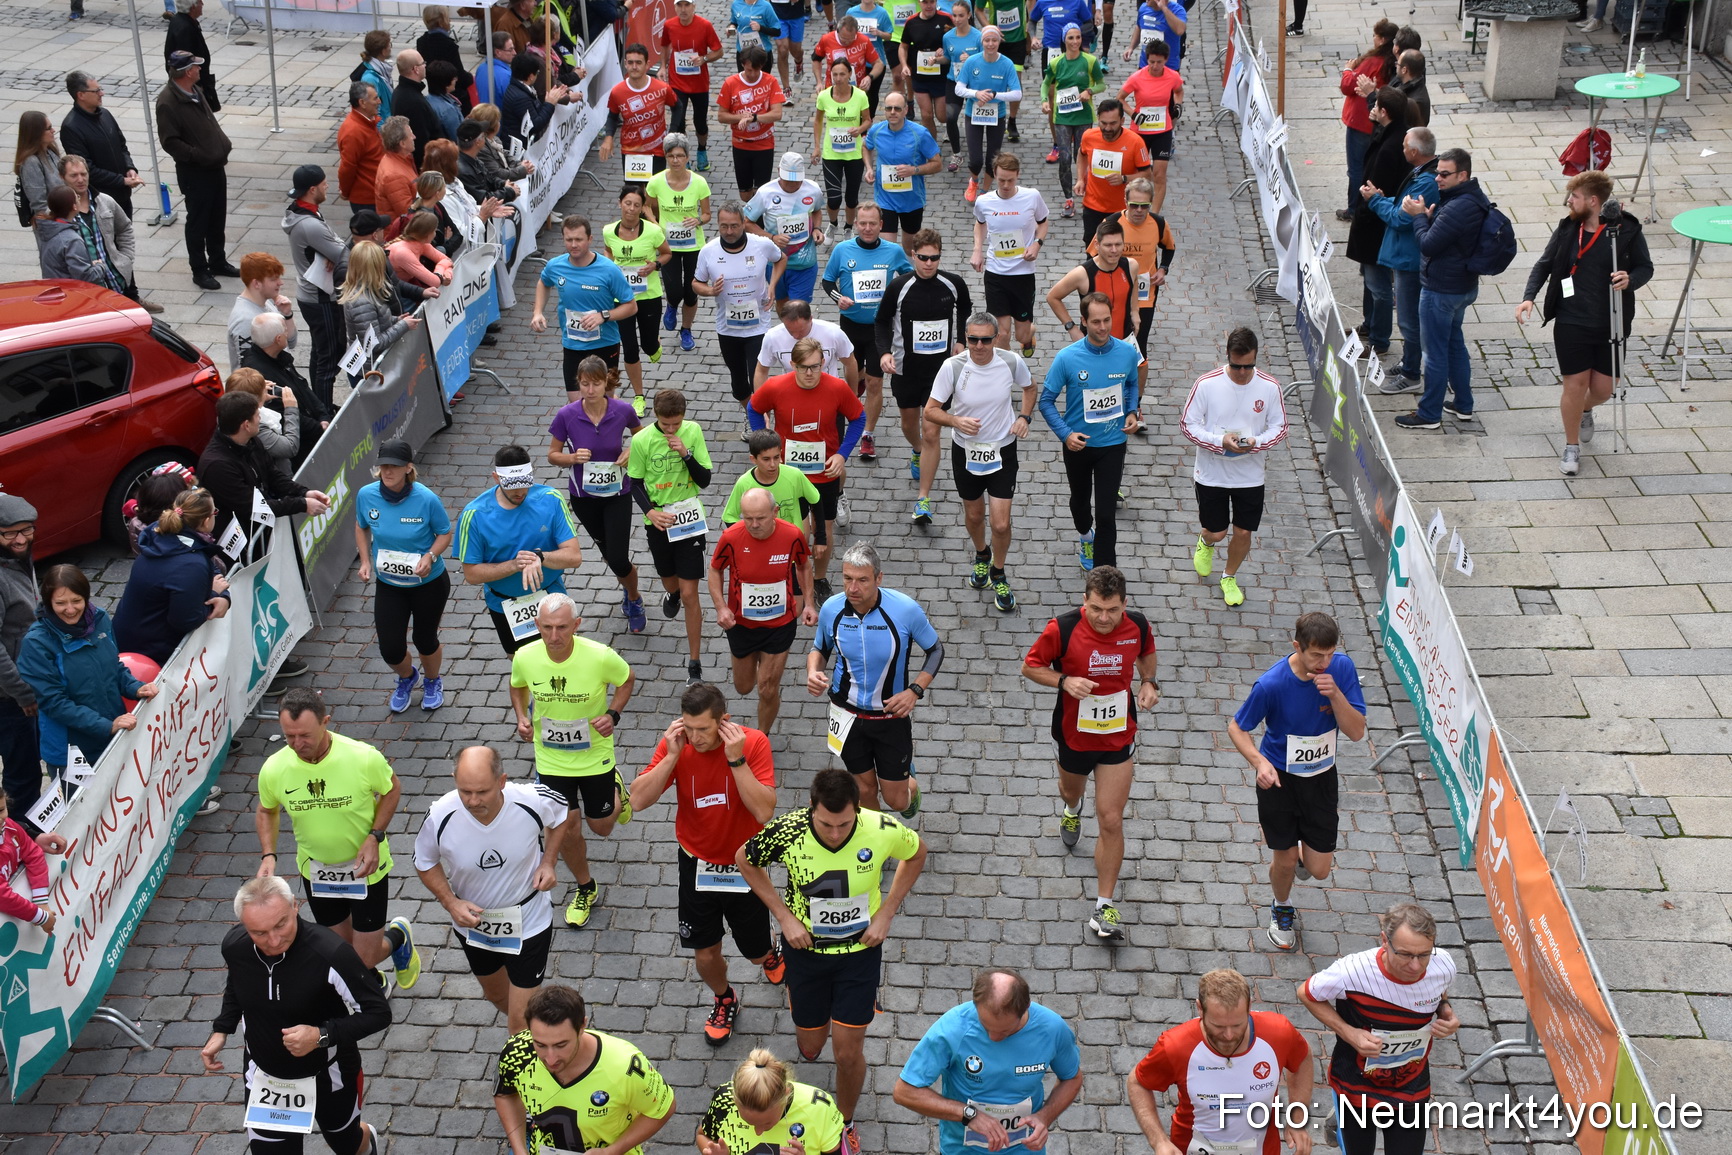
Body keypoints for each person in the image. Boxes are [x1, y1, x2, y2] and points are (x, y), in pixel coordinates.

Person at [738, 768, 927, 1153]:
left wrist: (887, 912)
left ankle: (845, 1121)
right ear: (812, 808)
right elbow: (745, 859)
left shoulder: (880, 827)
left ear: (858, 809)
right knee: (810, 1047)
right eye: (826, 824)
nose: (836, 833)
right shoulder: (789, 830)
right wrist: (784, 917)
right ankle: (804, 1002)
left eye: (844, 824)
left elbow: (917, 852)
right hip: (805, 952)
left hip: (859, 953)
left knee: (847, 1052)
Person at [629, 682, 783, 1043]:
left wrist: (735, 759)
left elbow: (764, 811)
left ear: (724, 721)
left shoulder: (753, 743)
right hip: (696, 864)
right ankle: (724, 998)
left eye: (703, 729)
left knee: (755, 952)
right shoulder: (678, 745)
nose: (695, 738)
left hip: (744, 865)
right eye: (689, 727)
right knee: (705, 953)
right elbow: (637, 800)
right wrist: (670, 757)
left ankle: (770, 952)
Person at [201, 877, 391, 1155]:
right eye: (259, 933)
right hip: (266, 1078)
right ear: (244, 926)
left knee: (347, 1144)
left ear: (295, 906)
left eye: (281, 925)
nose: (274, 940)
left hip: (329, 1075)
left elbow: (378, 1013)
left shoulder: (331, 953)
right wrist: (222, 1028)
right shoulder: (235, 947)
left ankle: (366, 1140)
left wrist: (320, 1036)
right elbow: (238, 983)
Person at [1020, 564, 1156, 939]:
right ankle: (1071, 809)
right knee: (1071, 791)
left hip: (1117, 737)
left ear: (1124, 604)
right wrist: (1064, 681)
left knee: (1111, 819)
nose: (1104, 618)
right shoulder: (1062, 628)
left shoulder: (1137, 625)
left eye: (1112, 610)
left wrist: (1149, 681)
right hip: (1073, 737)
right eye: (1096, 608)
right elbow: (1030, 666)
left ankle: (1104, 906)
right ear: (1085, 600)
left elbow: (1146, 652)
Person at [255, 687, 420, 985]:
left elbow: (392, 789)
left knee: (364, 957)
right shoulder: (274, 768)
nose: (297, 744)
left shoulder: (362, 758)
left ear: (325, 722)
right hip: (317, 871)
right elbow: (267, 811)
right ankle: (374, 982)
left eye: (305, 735)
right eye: (289, 736)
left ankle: (398, 938)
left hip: (366, 869)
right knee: (342, 954)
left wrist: (374, 836)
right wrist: (269, 854)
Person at [1228, 611, 1367, 951]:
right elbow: (1237, 727)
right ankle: (1281, 907)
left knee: (1319, 870)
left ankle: (1301, 856)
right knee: (1285, 859)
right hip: (1280, 781)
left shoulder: (1342, 669)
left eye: (1330, 654)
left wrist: (1335, 695)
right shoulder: (1271, 685)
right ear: (1297, 647)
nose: (1324, 663)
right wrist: (1260, 763)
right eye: (1317, 655)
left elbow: (1356, 732)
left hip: (1321, 779)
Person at [414, 746, 567, 1032]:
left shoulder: (531, 800)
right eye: (465, 791)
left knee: (518, 1023)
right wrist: (451, 903)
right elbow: (424, 861)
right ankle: (541, 1031)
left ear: (502, 781)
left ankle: (534, 1051)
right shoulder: (440, 814)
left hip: (529, 921)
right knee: (497, 996)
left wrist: (549, 862)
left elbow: (561, 814)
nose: (473, 801)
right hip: (474, 926)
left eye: (482, 792)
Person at [508, 593, 635, 929]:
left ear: (576, 625)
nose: (554, 636)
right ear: (537, 625)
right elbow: (517, 686)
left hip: (594, 756)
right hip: (551, 759)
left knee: (602, 827)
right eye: (547, 627)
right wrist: (521, 716)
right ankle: (585, 887)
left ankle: (616, 789)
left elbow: (627, 679)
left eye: (562, 627)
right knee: (565, 829)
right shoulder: (525, 656)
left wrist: (613, 714)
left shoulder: (599, 656)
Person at [1516, 169, 1654, 477]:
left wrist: (1630, 279)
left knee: (1604, 389)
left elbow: (1646, 267)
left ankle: (1586, 409)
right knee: (1574, 385)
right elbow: (1544, 264)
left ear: (1593, 201)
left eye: (1575, 197)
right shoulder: (1568, 228)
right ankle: (1571, 445)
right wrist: (1529, 297)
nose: (1569, 201)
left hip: (1611, 321)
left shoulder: (1626, 230)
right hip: (1572, 320)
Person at [1297, 903, 1461, 1155]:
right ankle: (1339, 1119)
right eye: (1405, 954)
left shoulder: (1443, 965)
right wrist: (1349, 1033)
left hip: (1411, 1082)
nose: (1416, 966)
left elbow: (1440, 989)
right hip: (1356, 1084)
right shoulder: (1352, 971)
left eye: (1424, 955)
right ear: (1385, 941)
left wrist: (1445, 1009)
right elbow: (1307, 993)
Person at [807, 541, 943, 815]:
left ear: (879, 578)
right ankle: (878, 836)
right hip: (846, 715)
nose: (852, 588)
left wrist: (914, 691)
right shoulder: (832, 609)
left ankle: (910, 784)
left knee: (897, 801)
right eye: (847, 578)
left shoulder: (904, 610)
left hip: (889, 717)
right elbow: (819, 648)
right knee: (864, 791)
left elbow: (935, 650)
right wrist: (813, 671)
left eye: (862, 580)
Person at [894, 968, 1083, 1153]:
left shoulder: (1052, 1029)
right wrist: (969, 1114)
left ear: (1026, 1007)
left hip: (1024, 1149)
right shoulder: (953, 1028)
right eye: (985, 1027)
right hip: (962, 1150)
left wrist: (1044, 1117)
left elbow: (1072, 1078)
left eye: (1005, 1031)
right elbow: (905, 1092)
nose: (993, 1038)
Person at [17, 564, 159, 811]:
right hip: (71, 751)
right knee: (84, 814)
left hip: (112, 736)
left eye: (76, 601)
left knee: (121, 804)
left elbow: (114, 666)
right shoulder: (37, 643)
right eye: (60, 603)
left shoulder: (100, 619)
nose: (70, 609)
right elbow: (54, 703)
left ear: (86, 597)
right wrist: (106, 726)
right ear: (47, 602)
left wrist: (135, 688)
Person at [1128, 968, 1315, 1155]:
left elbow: (1303, 1059)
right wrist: (1159, 1141)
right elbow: (1137, 1083)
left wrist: (1297, 1118)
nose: (1229, 1035)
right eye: (1218, 1026)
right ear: (1200, 1008)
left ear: (1249, 1007)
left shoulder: (1278, 1033)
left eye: (1238, 1025)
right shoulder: (1176, 1046)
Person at [918, 312, 1034, 608]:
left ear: (996, 339)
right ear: (966, 338)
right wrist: (955, 421)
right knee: (973, 516)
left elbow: (1030, 388)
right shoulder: (953, 367)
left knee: (1001, 523)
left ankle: (999, 571)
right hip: (966, 451)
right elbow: (930, 410)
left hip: (1002, 450)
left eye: (985, 340)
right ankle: (982, 553)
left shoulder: (1010, 361)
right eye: (973, 339)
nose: (979, 346)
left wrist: (1024, 417)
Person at [494, 985, 675, 1155]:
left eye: (561, 1045)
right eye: (540, 1044)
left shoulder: (624, 1065)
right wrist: (520, 1150)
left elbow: (663, 1109)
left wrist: (611, 1151)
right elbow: (505, 1094)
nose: (550, 1059)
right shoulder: (517, 1053)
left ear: (582, 1026)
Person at [1180, 327, 1288, 607]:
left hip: (1249, 475)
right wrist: (1219, 441)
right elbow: (1188, 425)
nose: (1242, 372)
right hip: (1212, 473)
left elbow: (1280, 427)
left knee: (1243, 532)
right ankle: (1206, 541)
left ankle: (1229, 576)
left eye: (1248, 366)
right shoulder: (1207, 384)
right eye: (1237, 366)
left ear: (1256, 357)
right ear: (1227, 356)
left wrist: (1256, 442)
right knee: (1217, 532)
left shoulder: (1270, 387)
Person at [747, 336, 861, 599]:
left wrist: (842, 455)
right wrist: (763, 443)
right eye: (803, 367)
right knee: (791, 527)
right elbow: (754, 408)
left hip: (824, 472)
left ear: (824, 362)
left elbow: (858, 417)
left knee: (824, 528)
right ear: (792, 365)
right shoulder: (775, 386)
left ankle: (819, 578)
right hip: (787, 473)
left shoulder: (837, 388)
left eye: (815, 366)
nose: (809, 373)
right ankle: (792, 573)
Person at [1038, 292, 1142, 570]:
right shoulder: (1067, 358)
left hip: (1113, 443)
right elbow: (1045, 401)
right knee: (1080, 504)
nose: (1103, 327)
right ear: (1083, 321)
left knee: (1107, 514)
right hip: (1079, 445)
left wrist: (1132, 411)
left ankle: (1105, 575)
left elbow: (1132, 384)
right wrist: (1066, 434)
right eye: (1096, 322)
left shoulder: (1126, 352)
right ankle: (1085, 535)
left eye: (1107, 320)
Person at [548, 358, 648, 634]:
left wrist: (631, 450)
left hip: (617, 494)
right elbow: (552, 455)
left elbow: (643, 438)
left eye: (596, 383)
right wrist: (571, 458)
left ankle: (634, 599)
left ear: (607, 382)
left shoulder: (623, 410)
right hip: (584, 499)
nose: (590, 390)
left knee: (618, 558)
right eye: (584, 384)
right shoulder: (567, 415)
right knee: (608, 554)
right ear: (578, 384)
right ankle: (628, 588)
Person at [1394, 147, 1490, 431]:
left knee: (1434, 353)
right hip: (1460, 287)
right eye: (1437, 173)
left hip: (1442, 291)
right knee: (1454, 345)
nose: (1437, 179)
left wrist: (1419, 217)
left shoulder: (1459, 207)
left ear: (1463, 175)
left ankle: (1429, 413)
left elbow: (1427, 244)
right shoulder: (1471, 197)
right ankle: (1463, 404)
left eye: (1445, 174)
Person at [353, 441, 452, 713]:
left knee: (425, 640)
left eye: (394, 466)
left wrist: (429, 556)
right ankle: (408, 677)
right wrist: (365, 560)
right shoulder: (366, 495)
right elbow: (361, 526)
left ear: (408, 468)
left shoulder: (426, 499)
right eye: (383, 465)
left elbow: (444, 533)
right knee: (390, 649)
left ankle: (432, 681)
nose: (387, 471)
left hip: (428, 583)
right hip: (390, 584)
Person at [710, 486, 818, 735]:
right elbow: (715, 569)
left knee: (767, 688)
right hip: (741, 625)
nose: (754, 524)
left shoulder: (792, 535)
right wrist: (721, 608)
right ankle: (758, 665)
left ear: (775, 512)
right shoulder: (731, 537)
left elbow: (803, 566)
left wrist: (809, 603)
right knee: (743, 686)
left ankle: (761, 738)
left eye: (760, 518)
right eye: (748, 518)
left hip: (780, 624)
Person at [457, 446, 586, 655]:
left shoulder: (551, 499)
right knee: (520, 662)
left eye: (525, 484)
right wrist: (515, 565)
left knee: (563, 656)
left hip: (550, 596)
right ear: (496, 478)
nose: (520, 492)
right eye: (512, 487)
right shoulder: (474, 515)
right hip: (505, 603)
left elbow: (574, 557)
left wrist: (540, 557)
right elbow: (471, 574)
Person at [628, 391, 716, 683]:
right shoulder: (642, 440)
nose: (671, 429)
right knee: (669, 579)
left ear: (683, 416)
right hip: (659, 522)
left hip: (689, 518)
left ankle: (694, 664)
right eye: (665, 424)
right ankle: (672, 593)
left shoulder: (693, 431)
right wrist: (651, 512)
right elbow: (634, 483)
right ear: (655, 416)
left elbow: (704, 480)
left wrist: (685, 454)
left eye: (676, 424)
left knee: (691, 594)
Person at [876, 228, 971, 490]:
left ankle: (923, 497)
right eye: (923, 258)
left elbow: (965, 307)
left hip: (940, 371)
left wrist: (961, 340)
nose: (929, 263)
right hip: (906, 369)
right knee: (909, 425)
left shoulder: (953, 283)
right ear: (913, 255)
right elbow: (881, 321)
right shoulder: (899, 286)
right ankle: (917, 449)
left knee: (931, 432)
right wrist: (884, 352)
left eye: (934, 258)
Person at [197, 392, 330, 567]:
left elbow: (272, 474)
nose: (260, 419)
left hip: (260, 532)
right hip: (240, 549)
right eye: (257, 415)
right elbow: (253, 508)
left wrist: (303, 492)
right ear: (246, 425)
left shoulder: (251, 441)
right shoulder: (217, 466)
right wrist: (302, 504)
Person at [822, 203, 911, 460]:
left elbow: (908, 278)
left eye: (873, 223)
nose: (868, 228)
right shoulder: (842, 250)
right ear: (856, 224)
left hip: (879, 328)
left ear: (881, 225)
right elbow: (827, 281)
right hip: (850, 325)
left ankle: (867, 434)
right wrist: (838, 298)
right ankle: (855, 393)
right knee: (852, 379)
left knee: (875, 382)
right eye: (863, 223)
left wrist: (896, 300)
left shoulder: (893, 251)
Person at [694, 203, 787, 426]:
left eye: (734, 226)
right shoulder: (708, 251)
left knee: (757, 377)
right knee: (738, 384)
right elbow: (696, 283)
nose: (729, 231)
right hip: (727, 328)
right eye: (724, 226)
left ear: (743, 223)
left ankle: (761, 423)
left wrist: (772, 285)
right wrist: (710, 291)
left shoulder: (761, 245)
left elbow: (781, 258)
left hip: (758, 325)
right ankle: (751, 412)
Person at [114, 486, 230, 664]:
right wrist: (215, 594)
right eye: (215, 512)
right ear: (206, 521)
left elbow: (208, 564)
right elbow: (186, 620)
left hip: (128, 636)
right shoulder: (191, 565)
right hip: (150, 654)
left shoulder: (160, 534)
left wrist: (223, 595)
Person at [531, 215, 638, 403]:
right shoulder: (556, 266)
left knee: (603, 401)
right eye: (569, 239)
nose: (573, 245)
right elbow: (543, 282)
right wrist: (537, 312)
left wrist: (603, 316)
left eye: (579, 239)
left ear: (590, 239)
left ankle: (616, 408)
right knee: (576, 403)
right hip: (573, 345)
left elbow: (631, 306)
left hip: (605, 344)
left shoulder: (609, 270)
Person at [1363, 126, 1437, 396]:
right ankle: (1409, 360)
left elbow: (1400, 218)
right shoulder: (1422, 173)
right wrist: (1385, 198)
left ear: (1415, 152)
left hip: (1410, 260)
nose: (1402, 149)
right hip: (1406, 257)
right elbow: (1401, 205)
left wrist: (1375, 201)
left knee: (1409, 320)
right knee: (1409, 318)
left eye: (1405, 146)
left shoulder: (1426, 181)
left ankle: (1411, 374)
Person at [156, 51, 235, 291]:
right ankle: (199, 270)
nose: (200, 69)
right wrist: (198, 155)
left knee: (217, 217)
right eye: (196, 66)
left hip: (214, 166)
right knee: (198, 221)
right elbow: (170, 142)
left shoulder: (195, 89)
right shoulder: (168, 102)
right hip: (195, 172)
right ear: (187, 71)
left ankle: (218, 260)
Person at [1089, 182, 1178, 388]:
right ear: (1125, 201)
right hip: (1113, 294)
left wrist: (1163, 269)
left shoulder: (1158, 223)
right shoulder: (1112, 223)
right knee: (1107, 341)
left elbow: (1169, 247)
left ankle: (1134, 400)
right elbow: (1092, 256)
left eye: (1144, 206)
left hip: (1145, 297)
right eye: (1134, 205)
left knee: (1138, 346)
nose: (1139, 210)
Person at [1348, 88, 1413, 361]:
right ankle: (1370, 325)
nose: (1371, 108)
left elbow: (1377, 190)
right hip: (1372, 221)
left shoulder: (1390, 146)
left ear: (1384, 112)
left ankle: (1379, 340)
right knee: (1370, 279)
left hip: (1375, 225)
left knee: (1379, 286)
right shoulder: (1388, 133)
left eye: (1375, 105)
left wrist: (1365, 208)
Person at [282, 165, 350, 409]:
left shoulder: (303, 212)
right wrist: (335, 252)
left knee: (321, 353)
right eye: (324, 183)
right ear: (312, 189)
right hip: (321, 298)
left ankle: (319, 405)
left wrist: (333, 250)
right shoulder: (309, 224)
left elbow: (337, 245)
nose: (328, 186)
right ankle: (324, 411)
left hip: (315, 295)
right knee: (329, 357)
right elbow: (344, 254)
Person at [970, 152, 1049, 357]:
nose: (1006, 185)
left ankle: (1029, 333)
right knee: (1002, 334)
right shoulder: (984, 201)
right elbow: (980, 224)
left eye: (1010, 180)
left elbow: (1043, 222)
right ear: (994, 175)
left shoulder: (1032, 196)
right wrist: (977, 250)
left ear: (1018, 175)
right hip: (996, 273)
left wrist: (1037, 244)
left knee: (1021, 335)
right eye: (1001, 180)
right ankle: (1007, 371)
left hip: (1023, 274)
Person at [1047, 219, 1139, 388]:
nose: (1114, 250)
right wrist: (1072, 328)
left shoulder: (1131, 266)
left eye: (1118, 244)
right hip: (1094, 346)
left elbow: (1134, 283)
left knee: (1131, 381)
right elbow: (1053, 297)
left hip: (1124, 340)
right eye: (1108, 245)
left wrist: (1135, 311)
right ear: (1097, 245)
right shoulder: (1083, 274)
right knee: (1097, 389)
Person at [698, 1050, 845, 1155]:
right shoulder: (724, 1100)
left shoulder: (819, 1109)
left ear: (785, 1095)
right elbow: (702, 1136)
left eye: (767, 1123)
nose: (758, 1132)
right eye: (749, 1122)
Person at [603, 185, 671, 412]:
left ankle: (654, 344)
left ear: (642, 208)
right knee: (630, 347)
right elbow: (608, 251)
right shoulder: (609, 231)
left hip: (648, 295)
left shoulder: (653, 231)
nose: (631, 209)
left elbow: (667, 253)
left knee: (648, 346)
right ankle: (639, 396)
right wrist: (610, 266)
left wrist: (655, 265)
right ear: (619, 203)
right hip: (621, 299)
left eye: (636, 205)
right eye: (627, 203)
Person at [643, 133, 712, 351]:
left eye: (680, 156)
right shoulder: (656, 182)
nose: (675, 160)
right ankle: (672, 304)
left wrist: (698, 220)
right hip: (668, 246)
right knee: (673, 290)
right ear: (665, 157)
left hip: (694, 245)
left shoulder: (699, 183)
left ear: (687, 157)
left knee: (691, 293)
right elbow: (646, 206)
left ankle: (686, 330)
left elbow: (707, 214)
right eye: (671, 156)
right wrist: (655, 224)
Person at [241, 313, 332, 469]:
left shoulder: (278, 357)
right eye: (285, 330)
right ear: (278, 339)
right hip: (302, 448)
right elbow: (283, 414)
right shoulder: (259, 374)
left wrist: (323, 414)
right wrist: (319, 428)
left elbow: (302, 386)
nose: (287, 332)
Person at [0, 497, 41, 832]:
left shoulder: (17, 559)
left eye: (26, 530)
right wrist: (23, 693)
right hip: (9, 695)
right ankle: (20, 837)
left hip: (21, 684)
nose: (20, 539)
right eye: (9, 533)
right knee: (22, 773)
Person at [60, 156, 151, 306]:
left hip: (115, 283)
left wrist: (126, 257)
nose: (80, 179)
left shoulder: (105, 201)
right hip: (83, 291)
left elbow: (125, 228)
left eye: (83, 174)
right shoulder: (59, 211)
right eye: (74, 175)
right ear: (62, 177)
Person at [861, 93, 940, 253]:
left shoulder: (920, 133)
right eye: (889, 108)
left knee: (909, 248)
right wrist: (869, 168)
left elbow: (937, 164)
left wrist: (914, 170)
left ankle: (907, 267)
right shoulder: (877, 130)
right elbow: (866, 147)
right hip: (885, 199)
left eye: (897, 109)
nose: (892, 112)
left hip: (911, 201)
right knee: (887, 249)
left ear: (905, 110)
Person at [743, 152, 826, 305]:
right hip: (775, 260)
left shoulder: (813, 189)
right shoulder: (766, 192)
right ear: (779, 171)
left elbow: (816, 210)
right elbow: (747, 223)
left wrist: (817, 228)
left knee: (798, 308)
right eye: (788, 179)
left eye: (797, 180)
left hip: (804, 262)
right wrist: (772, 237)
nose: (792, 184)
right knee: (782, 304)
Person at [61, 72, 146, 220]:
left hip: (122, 195)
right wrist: (122, 180)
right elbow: (87, 168)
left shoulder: (105, 114)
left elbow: (122, 146)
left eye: (100, 89)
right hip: (101, 200)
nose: (102, 93)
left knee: (126, 232)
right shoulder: (71, 127)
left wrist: (129, 168)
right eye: (96, 91)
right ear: (81, 95)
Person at [1039, 25, 1102, 219]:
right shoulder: (1056, 63)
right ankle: (1068, 199)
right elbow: (1045, 84)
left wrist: (1089, 91)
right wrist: (1044, 100)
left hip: (1083, 116)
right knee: (1065, 157)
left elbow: (1101, 84)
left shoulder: (1090, 61)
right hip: (1063, 116)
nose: (1075, 42)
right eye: (1071, 38)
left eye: (1078, 38)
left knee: (1080, 156)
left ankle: (1086, 192)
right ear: (1064, 40)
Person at [953, 27, 1022, 203]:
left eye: (994, 40)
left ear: (999, 42)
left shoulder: (1007, 64)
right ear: (981, 42)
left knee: (993, 158)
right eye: (987, 40)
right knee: (975, 159)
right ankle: (974, 181)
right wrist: (976, 94)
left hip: (997, 115)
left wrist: (995, 95)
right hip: (973, 114)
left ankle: (984, 191)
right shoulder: (972, 62)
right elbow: (958, 88)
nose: (990, 44)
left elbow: (1017, 93)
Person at [1337, 18, 1397, 219]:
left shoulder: (1372, 62)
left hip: (1361, 121)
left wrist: (1348, 70)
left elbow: (1348, 86)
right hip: (1379, 122)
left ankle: (1354, 208)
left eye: (1375, 35)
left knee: (1356, 168)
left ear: (1382, 40)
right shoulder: (1392, 63)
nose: (1373, 38)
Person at [1072, 99, 1149, 253]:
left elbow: (1147, 174)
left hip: (1122, 210)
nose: (1107, 128)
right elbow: (1082, 154)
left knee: (1119, 253)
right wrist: (1081, 178)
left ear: (1122, 120)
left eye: (1113, 123)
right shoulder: (1089, 136)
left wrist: (1124, 178)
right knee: (1093, 252)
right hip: (1092, 206)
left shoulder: (1135, 142)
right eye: (1103, 123)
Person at [1116, 36, 1181, 213]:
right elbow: (1120, 98)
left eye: (1159, 62)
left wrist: (1178, 106)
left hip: (1162, 131)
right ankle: (1133, 208)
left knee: (1159, 175)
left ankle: (1154, 214)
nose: (1155, 66)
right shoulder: (1137, 77)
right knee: (1138, 174)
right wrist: (1133, 114)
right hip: (1140, 133)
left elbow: (1179, 91)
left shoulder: (1173, 76)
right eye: (1151, 62)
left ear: (1166, 60)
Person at [659, 0, 726, 172]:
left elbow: (719, 51)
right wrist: (663, 67)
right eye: (679, 5)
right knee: (679, 121)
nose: (683, 10)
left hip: (699, 83)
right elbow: (665, 45)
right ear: (675, 7)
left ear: (693, 7)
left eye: (687, 5)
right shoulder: (669, 25)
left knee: (700, 123)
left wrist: (704, 59)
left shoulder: (705, 25)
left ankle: (702, 149)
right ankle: (683, 155)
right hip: (677, 82)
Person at [600, 44, 678, 184]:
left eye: (638, 62)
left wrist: (671, 134)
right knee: (633, 192)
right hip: (631, 151)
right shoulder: (617, 92)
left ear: (647, 65)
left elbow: (678, 107)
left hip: (657, 149)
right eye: (630, 62)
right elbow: (612, 116)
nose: (634, 67)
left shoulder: (662, 88)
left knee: (654, 192)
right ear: (625, 64)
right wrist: (608, 138)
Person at [718, 46, 788, 199]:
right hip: (740, 144)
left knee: (761, 193)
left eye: (757, 70)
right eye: (749, 70)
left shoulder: (771, 81)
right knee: (745, 195)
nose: (753, 74)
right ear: (743, 64)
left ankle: (758, 215)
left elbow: (777, 114)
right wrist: (740, 117)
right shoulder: (730, 83)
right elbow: (721, 116)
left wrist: (754, 118)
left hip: (764, 144)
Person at [340, 242, 420, 370]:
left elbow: (376, 322)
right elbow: (373, 344)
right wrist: (403, 325)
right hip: (370, 371)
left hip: (373, 366)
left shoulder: (367, 291)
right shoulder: (362, 303)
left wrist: (396, 320)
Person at [723, 430, 823, 532]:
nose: (772, 464)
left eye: (776, 457)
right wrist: (747, 536)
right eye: (766, 459)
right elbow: (729, 516)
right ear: (753, 459)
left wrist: (821, 538)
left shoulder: (795, 475)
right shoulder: (744, 483)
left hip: (792, 538)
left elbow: (815, 499)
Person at [815, 60, 872, 237]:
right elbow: (818, 121)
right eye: (835, 74)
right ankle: (833, 224)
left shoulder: (860, 96)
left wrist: (860, 129)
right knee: (834, 198)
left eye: (842, 74)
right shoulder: (824, 96)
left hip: (854, 154)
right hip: (831, 154)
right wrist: (816, 147)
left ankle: (848, 227)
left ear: (849, 75)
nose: (838, 78)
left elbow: (868, 120)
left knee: (851, 198)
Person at [754, 300, 861, 385]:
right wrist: (760, 404)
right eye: (790, 331)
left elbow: (850, 363)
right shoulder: (772, 336)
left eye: (801, 330)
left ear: (810, 319)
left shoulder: (833, 333)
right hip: (792, 394)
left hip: (829, 392)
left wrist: (852, 394)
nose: (796, 336)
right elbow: (761, 370)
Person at [228, 252, 297, 371]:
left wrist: (287, 315)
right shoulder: (245, 321)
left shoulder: (266, 302)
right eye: (274, 279)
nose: (280, 283)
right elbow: (248, 372)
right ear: (256, 283)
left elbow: (290, 343)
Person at [975, 0, 1031, 144]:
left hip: (1018, 40)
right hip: (996, 41)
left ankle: (1012, 120)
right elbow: (978, 10)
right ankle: (991, 116)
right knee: (993, 80)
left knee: (1016, 82)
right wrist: (990, 28)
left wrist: (1029, 23)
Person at [898, 0, 952, 142]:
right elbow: (903, 46)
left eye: (931, 2)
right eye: (925, 2)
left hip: (941, 76)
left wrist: (945, 49)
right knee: (926, 115)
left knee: (942, 116)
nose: (929, 5)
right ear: (919, 3)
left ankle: (951, 128)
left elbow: (956, 40)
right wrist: (904, 65)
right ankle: (932, 147)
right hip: (920, 75)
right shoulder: (911, 22)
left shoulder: (946, 19)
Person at [0, 788, 51, 934]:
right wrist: (41, 917)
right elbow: (2, 896)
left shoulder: (10, 827)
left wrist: (41, 900)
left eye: (1, 810)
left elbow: (33, 853)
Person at [15, 110, 65, 253]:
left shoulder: (50, 152)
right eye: (48, 128)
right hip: (53, 225)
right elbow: (39, 204)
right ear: (36, 133)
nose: (53, 130)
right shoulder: (31, 162)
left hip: (63, 218)